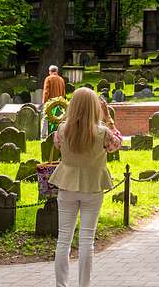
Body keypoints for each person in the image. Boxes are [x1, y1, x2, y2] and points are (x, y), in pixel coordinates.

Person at [52, 88, 122, 287]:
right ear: (95, 107)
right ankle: (84, 285)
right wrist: (108, 118)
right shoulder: (103, 132)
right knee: (86, 240)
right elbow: (117, 144)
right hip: (93, 186)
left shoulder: (62, 130)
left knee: (63, 239)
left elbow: (58, 146)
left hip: (66, 186)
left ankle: (61, 285)